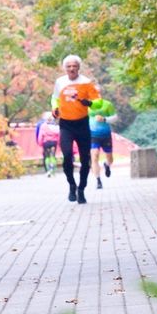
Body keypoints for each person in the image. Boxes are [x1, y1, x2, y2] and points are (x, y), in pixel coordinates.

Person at [51, 54, 100, 204]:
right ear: (65, 68)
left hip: (82, 124)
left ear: (79, 67)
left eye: (74, 66)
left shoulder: (86, 82)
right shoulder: (60, 82)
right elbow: (54, 98)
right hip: (66, 124)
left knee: (85, 160)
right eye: (68, 66)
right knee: (67, 156)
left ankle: (81, 189)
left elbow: (98, 102)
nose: (71, 69)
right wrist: (55, 108)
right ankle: (72, 185)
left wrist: (90, 104)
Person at [88, 98, 116, 189]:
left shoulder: (107, 104)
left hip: (105, 134)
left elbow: (115, 118)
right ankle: (98, 180)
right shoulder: (86, 105)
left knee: (110, 158)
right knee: (94, 156)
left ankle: (107, 165)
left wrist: (104, 119)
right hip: (92, 135)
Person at [35, 111, 60, 176]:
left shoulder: (43, 126)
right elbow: (58, 135)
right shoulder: (55, 125)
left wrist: (40, 143)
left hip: (46, 143)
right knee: (53, 156)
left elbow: (40, 135)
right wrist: (59, 143)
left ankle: (48, 170)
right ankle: (53, 171)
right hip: (53, 142)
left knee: (47, 156)